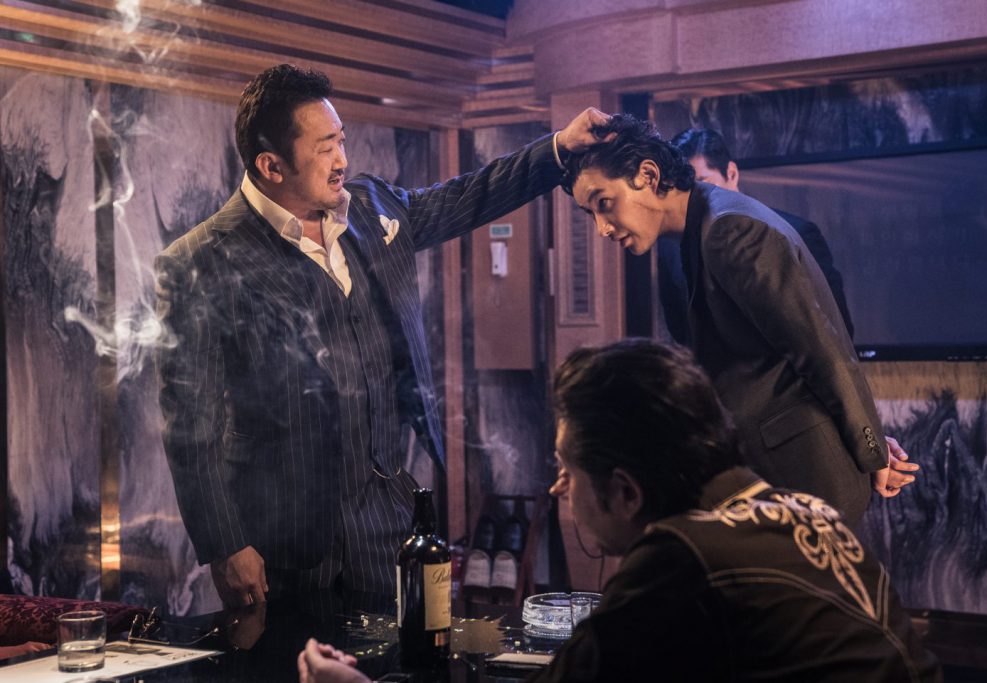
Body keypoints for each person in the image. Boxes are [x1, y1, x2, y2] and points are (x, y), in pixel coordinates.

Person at [155, 63, 610, 607]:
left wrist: (557, 149)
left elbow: (469, 195)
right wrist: (226, 546)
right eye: (325, 147)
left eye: (341, 140)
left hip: (387, 517)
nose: (342, 160)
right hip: (280, 537)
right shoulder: (199, 262)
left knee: (402, 649)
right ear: (271, 165)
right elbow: (192, 427)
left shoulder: (372, 208)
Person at [293, 340, 941, 682]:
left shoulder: (682, 555)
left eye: (567, 470)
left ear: (626, 491)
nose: (559, 489)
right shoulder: (805, 510)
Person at [562, 115, 917, 524]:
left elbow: (822, 350)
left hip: (804, 480)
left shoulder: (729, 229)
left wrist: (871, 450)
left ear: (648, 175)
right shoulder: (703, 225)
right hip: (776, 476)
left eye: (604, 204)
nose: (602, 228)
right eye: (591, 214)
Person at [664, 127, 855, 339]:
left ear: (732, 174)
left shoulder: (795, 233)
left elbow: (836, 327)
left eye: (702, 185)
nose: (692, 198)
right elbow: (679, 329)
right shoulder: (673, 249)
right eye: (683, 189)